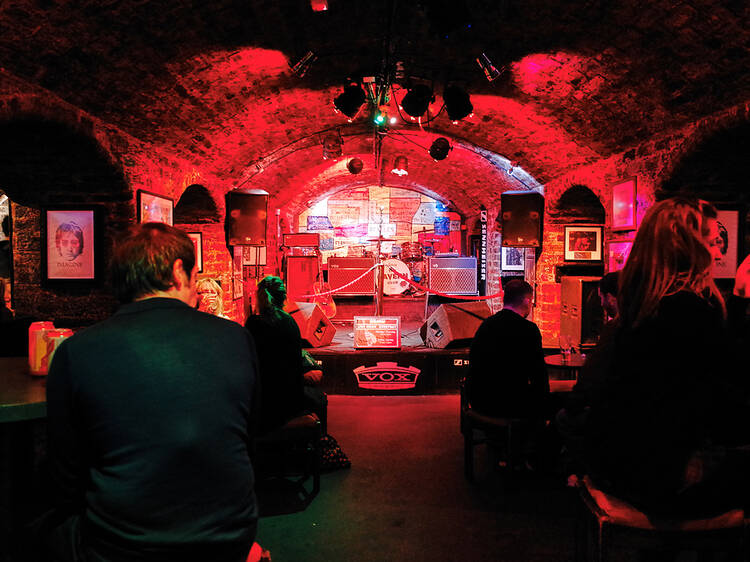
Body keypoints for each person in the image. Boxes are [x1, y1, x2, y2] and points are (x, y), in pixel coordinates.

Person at [41, 222, 260, 562]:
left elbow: (66, 469)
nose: (198, 290)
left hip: (120, 546)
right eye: (194, 275)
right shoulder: (235, 338)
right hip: (229, 537)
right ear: (177, 272)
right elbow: (247, 435)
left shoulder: (77, 350)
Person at [579, 196, 750, 518]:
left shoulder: (642, 303)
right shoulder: (688, 311)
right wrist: (741, 302)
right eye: (713, 242)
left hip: (613, 459)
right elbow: (726, 407)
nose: (719, 252)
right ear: (689, 249)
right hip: (654, 476)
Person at [467, 279, 549, 419]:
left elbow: (474, 361)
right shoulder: (529, 330)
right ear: (526, 301)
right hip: (511, 404)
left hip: (480, 401)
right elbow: (538, 374)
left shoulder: (486, 325)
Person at [244, 276, 306, 434]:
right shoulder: (290, 322)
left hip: (264, 404)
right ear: (284, 298)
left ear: (258, 297)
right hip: (291, 401)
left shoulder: (253, 323)